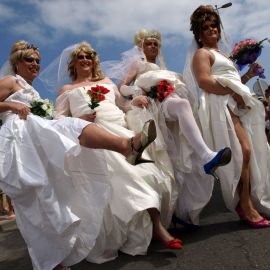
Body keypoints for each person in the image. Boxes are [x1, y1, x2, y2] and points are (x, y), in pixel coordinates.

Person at [0, 40, 157, 270]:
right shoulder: (11, 81)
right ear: (17, 62)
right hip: (18, 141)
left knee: (49, 200)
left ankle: (53, 259)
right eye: (29, 59)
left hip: (35, 140)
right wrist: (12, 107)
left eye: (37, 60)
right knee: (32, 204)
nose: (35, 63)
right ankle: (47, 263)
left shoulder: (31, 90)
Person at [40, 41, 181, 254]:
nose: (85, 60)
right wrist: (80, 119)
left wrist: (135, 102)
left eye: (89, 56)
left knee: (145, 172)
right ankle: (159, 229)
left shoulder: (106, 82)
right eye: (81, 57)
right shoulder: (67, 90)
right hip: (94, 137)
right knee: (128, 174)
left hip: (120, 129)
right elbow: (59, 118)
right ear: (74, 64)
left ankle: (153, 226)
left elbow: (121, 105)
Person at [105, 29, 232, 225]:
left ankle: (182, 211)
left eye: (156, 44)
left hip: (166, 103)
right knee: (165, 162)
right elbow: (122, 85)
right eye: (148, 43)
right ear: (141, 46)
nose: (153, 47)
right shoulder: (138, 63)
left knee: (177, 158)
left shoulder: (161, 66)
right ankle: (204, 158)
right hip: (151, 107)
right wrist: (135, 93)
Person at [184, 4, 270, 228]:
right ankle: (245, 206)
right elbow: (204, 81)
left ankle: (247, 202)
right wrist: (233, 91)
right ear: (199, 34)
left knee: (249, 153)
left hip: (233, 104)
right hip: (219, 105)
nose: (213, 30)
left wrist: (249, 75)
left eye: (215, 26)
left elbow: (233, 83)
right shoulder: (202, 54)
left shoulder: (224, 56)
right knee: (244, 151)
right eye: (206, 28)